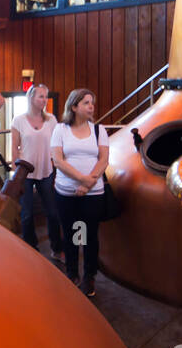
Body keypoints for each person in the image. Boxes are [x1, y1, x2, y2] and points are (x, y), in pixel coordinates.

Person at [50, 88, 108, 297]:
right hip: (67, 192)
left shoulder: (99, 130)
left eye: (92, 102)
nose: (91, 106)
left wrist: (88, 184)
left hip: (93, 194)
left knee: (90, 235)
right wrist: (82, 180)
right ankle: (72, 272)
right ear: (74, 107)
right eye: (86, 102)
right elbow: (58, 160)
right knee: (73, 234)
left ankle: (89, 276)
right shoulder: (60, 130)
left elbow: (103, 160)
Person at [10, 83, 63, 260]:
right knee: (26, 214)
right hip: (25, 173)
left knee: (52, 212)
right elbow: (14, 148)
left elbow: (57, 145)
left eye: (46, 96)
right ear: (31, 98)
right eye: (41, 96)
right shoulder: (18, 120)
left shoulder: (52, 120)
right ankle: (31, 250)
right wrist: (15, 170)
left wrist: (58, 165)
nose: (44, 100)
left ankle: (57, 248)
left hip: (46, 171)